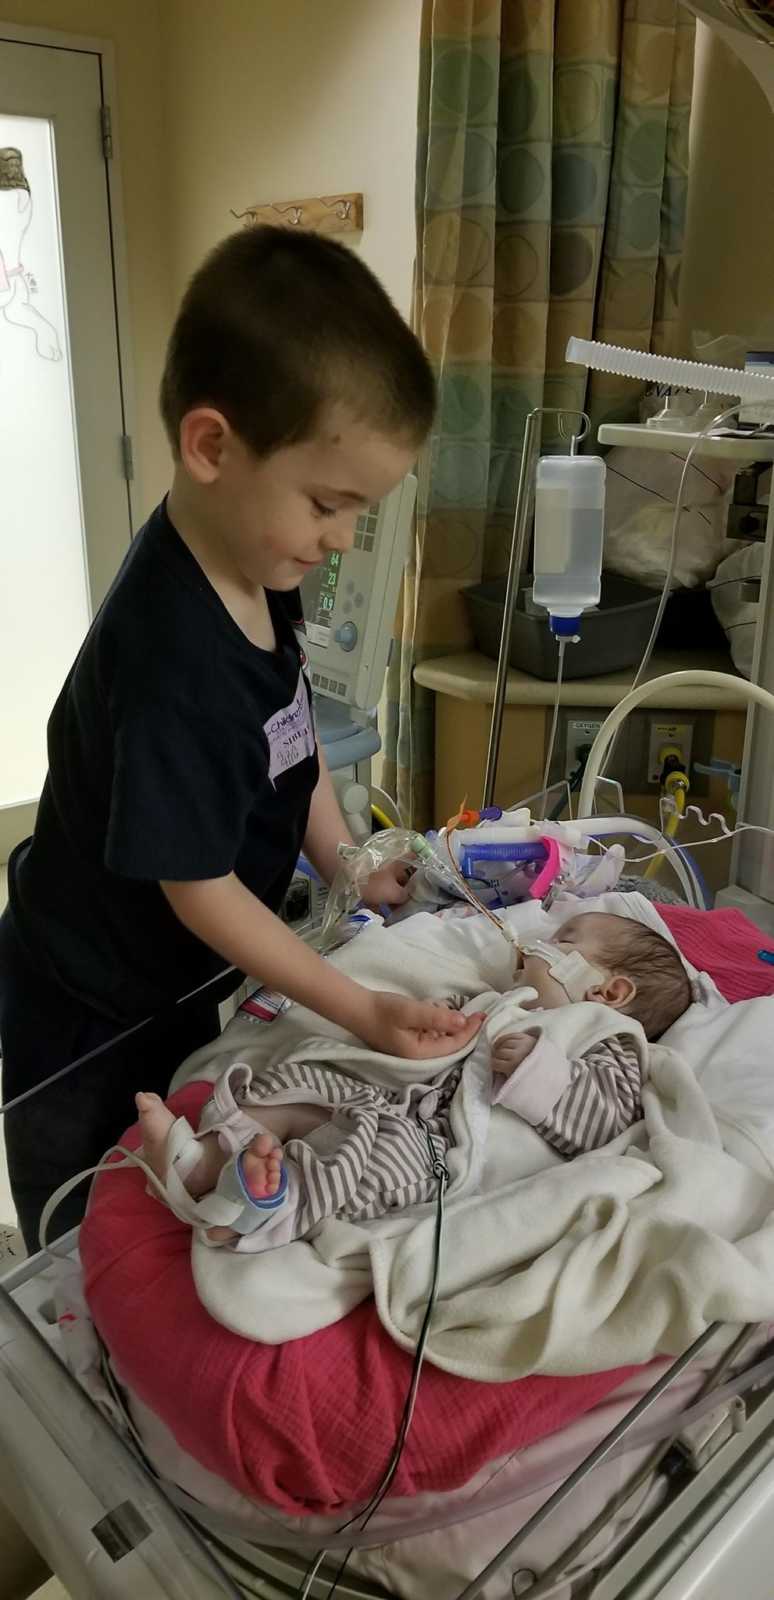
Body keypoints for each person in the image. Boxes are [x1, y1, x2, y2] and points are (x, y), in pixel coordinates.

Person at [0, 226, 481, 1253]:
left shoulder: (257, 565)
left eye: (359, 509)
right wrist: (356, 1006)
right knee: (91, 1229)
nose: (344, 537)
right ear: (212, 446)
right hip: (85, 1010)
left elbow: (289, 727)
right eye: (328, 503)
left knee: (174, 1162)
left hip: (170, 980)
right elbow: (198, 884)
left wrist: (344, 856)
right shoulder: (171, 657)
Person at [136, 911, 692, 1249]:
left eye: (563, 938)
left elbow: (604, 1123)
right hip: (400, 1098)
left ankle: (260, 1212)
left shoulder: (607, 1040)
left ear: (610, 992)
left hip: (442, 1149)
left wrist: (540, 1071)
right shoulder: (513, 1002)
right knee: (311, 1075)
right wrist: (445, 1017)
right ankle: (211, 1153)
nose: (533, 941)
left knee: (371, 1164)